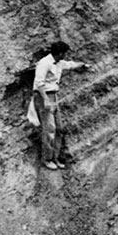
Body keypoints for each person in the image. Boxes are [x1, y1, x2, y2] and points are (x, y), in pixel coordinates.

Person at [32, 41, 90, 170]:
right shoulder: (44, 63)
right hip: (44, 97)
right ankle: (47, 159)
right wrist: (46, 100)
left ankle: (55, 157)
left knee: (59, 128)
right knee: (49, 130)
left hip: (54, 96)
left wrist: (83, 65)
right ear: (60, 53)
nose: (66, 55)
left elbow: (71, 65)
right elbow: (39, 83)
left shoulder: (59, 62)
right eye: (65, 53)